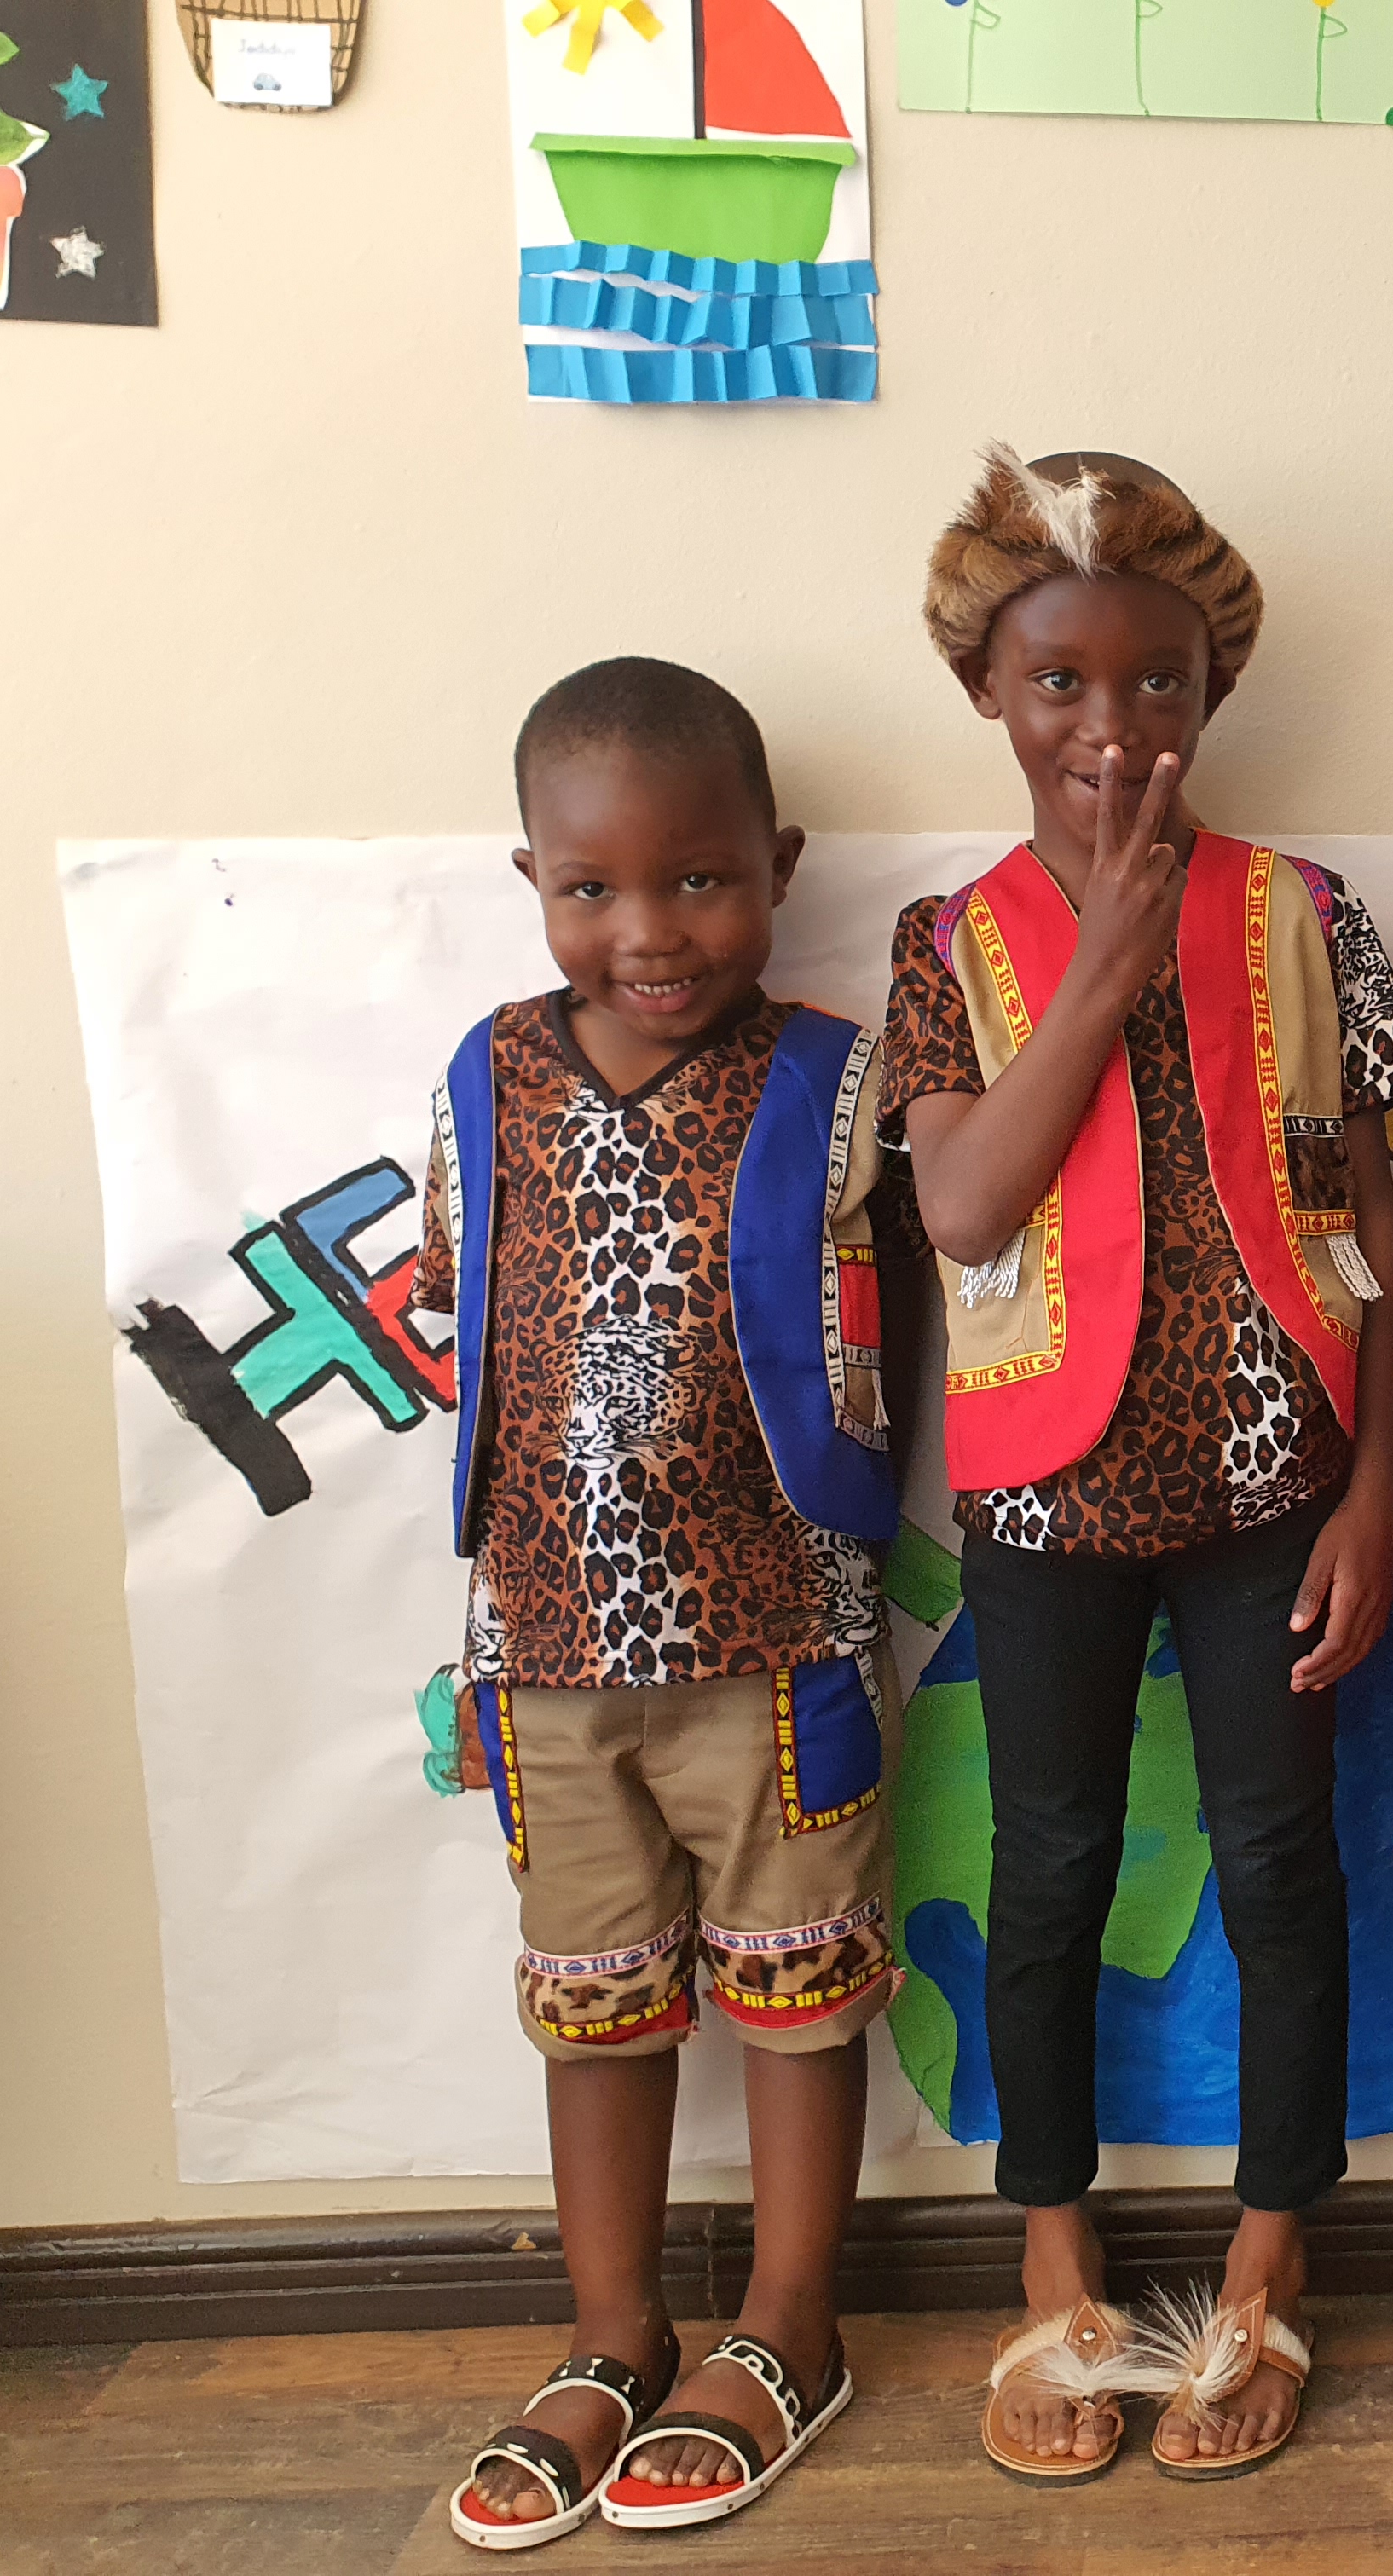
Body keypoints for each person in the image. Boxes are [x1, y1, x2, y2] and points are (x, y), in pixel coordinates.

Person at [886, 448, 1393, 2486]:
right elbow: (960, 1210)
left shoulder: (1303, 916)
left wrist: (1375, 1490)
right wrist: (1103, 955)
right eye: (1060, 687)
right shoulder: (954, 942)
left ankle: (1263, 2276)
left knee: (1286, 1872)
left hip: (1278, 1480)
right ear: (989, 695)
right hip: (1046, 1491)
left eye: (1156, 687)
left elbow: (1376, 1226)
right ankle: (1060, 2276)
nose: (1110, 730)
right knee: (1050, 1876)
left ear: (1209, 694)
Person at [431, 659, 902, 2546]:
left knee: (798, 1999)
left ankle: (792, 2322)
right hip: (546, 1645)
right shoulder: (486, 1070)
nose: (648, 932)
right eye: (593, 889)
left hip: (778, 1636)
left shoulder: (829, 1075)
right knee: (594, 2001)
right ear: (531, 879)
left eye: (698, 881)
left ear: (776, 865)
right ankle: (611, 2330)